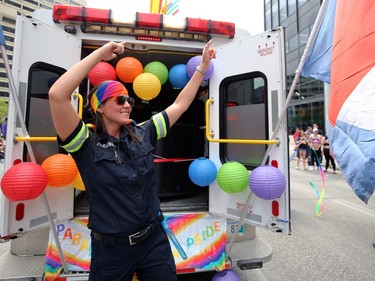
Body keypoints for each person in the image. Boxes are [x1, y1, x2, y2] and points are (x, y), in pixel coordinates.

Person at [48, 40, 216, 281]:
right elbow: (57, 94)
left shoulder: (144, 132)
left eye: (129, 100)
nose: (127, 104)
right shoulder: (84, 143)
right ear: (100, 108)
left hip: (154, 242)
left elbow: (180, 103)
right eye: (119, 100)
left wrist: (202, 67)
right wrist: (99, 55)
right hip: (111, 253)